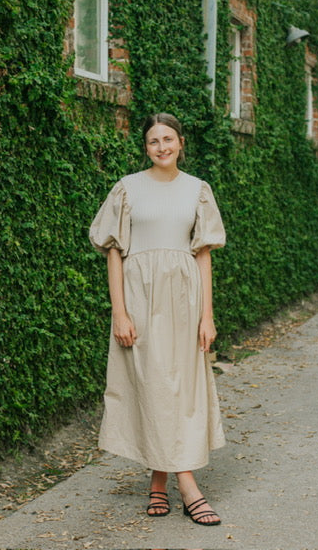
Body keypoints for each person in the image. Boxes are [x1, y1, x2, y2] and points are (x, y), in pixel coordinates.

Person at [89, 112, 226, 526]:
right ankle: (188, 486)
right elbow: (113, 250)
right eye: (153, 141)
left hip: (185, 303)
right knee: (152, 385)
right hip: (140, 299)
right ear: (145, 147)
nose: (162, 146)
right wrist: (119, 311)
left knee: (179, 389)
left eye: (168, 139)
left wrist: (208, 316)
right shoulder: (127, 189)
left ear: (181, 143)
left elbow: (202, 255)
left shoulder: (197, 191)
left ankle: (157, 482)